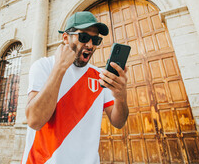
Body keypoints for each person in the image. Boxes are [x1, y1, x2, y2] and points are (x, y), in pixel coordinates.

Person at [21, 11, 129, 164]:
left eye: (95, 40)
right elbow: (34, 121)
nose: (90, 45)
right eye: (83, 37)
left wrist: (121, 95)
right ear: (66, 38)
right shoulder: (44, 66)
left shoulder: (100, 76)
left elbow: (118, 122)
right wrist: (59, 69)